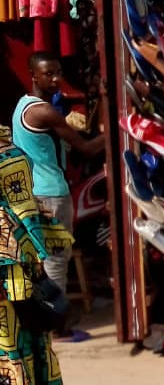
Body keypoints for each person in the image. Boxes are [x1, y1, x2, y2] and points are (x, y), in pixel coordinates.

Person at [12, 52, 105, 302]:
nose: (55, 79)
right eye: (48, 74)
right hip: (51, 194)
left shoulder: (23, 105)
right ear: (33, 75)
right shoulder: (44, 111)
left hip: (33, 191)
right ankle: (57, 327)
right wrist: (123, 127)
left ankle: (46, 322)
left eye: (58, 73)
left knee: (44, 259)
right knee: (56, 261)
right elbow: (86, 149)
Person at [0, 125, 73, 384]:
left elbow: (23, 214)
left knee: (14, 346)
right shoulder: (13, 155)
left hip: (11, 273)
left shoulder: (9, 157)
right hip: (17, 266)